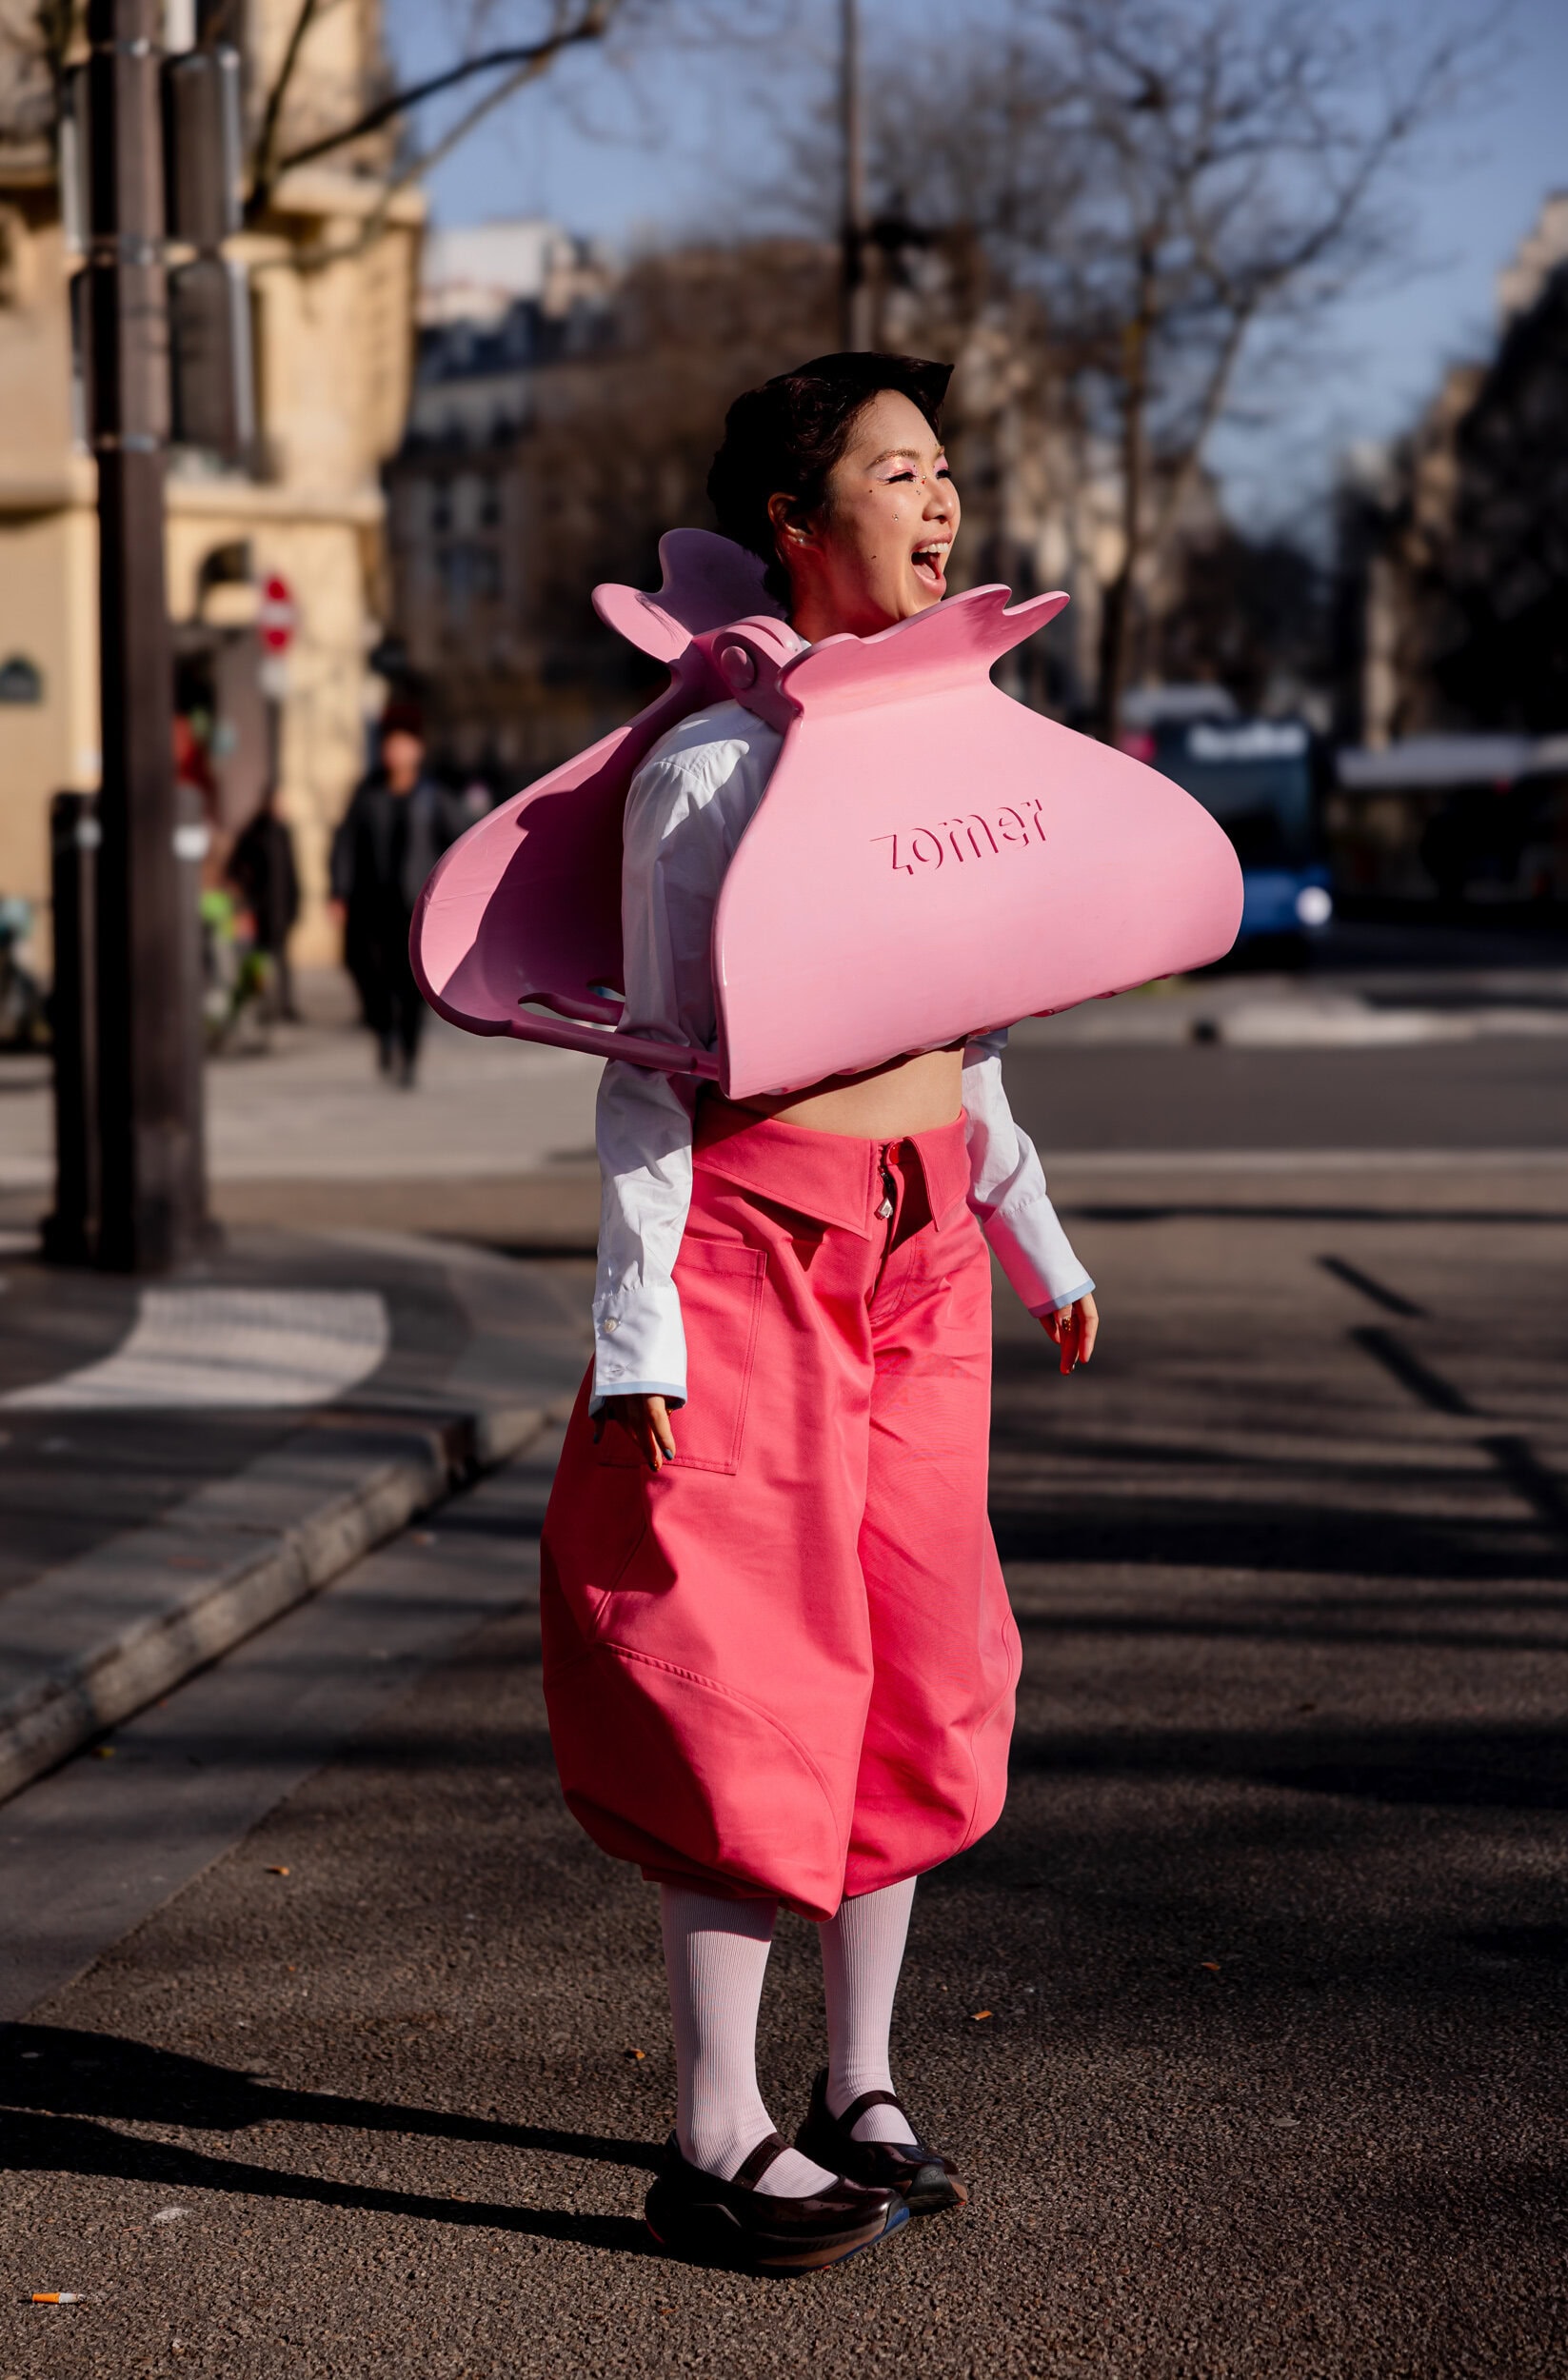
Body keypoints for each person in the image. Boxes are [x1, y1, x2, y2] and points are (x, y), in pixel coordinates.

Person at [538, 353, 1101, 2275]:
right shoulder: (706, 761)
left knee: (919, 1659)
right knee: (745, 1668)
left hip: (918, 1239)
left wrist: (1033, 1235)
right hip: (750, 1253)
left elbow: (972, 1032)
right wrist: (637, 1335)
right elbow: (643, 1072)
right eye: (891, 469)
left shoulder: (954, 741)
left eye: (943, 469)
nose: (936, 501)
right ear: (791, 519)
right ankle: (712, 2125)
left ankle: (859, 2080)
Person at [330, 703, 456, 1084]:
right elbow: (345, 844)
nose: (394, 752)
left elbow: (459, 840)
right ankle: (383, 1032)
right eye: (389, 744)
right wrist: (339, 891)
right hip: (372, 906)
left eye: (402, 745)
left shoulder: (433, 797)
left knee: (412, 986)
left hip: (416, 909)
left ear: (416, 749)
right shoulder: (367, 794)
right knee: (371, 976)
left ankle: (409, 1054)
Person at [226, 783, 301, 1022]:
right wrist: (247, 895)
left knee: (282, 960)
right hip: (262, 908)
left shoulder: (284, 832)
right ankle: (261, 1005)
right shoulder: (254, 831)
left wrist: (296, 900)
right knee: (260, 961)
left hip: (282, 908)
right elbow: (234, 867)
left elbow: (291, 872)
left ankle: (284, 1005)